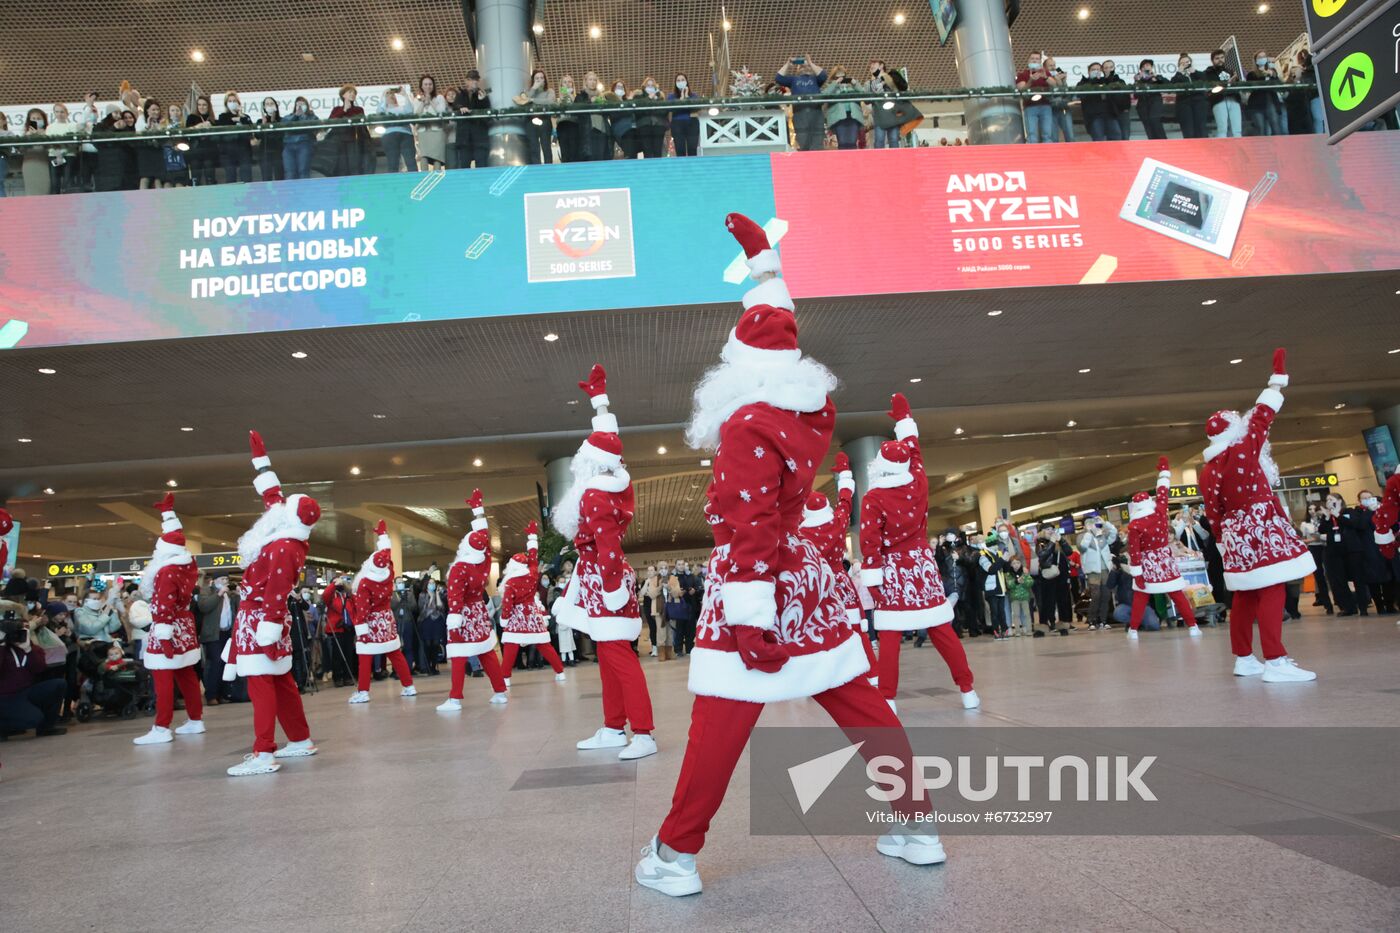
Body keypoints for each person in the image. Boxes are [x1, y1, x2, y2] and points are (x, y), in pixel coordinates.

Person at [635, 213, 942, 898]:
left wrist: (749, 611)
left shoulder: (747, 422)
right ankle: (918, 824)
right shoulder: (809, 412)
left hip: (759, 576)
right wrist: (764, 264)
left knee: (721, 718)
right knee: (861, 702)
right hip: (808, 572)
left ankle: (675, 853)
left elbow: (747, 524)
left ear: (743, 361)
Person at [551, 365, 657, 759]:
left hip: (605, 581)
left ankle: (642, 733)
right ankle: (614, 727)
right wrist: (599, 401)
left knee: (618, 659)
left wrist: (610, 589)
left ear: (591, 462)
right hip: (602, 578)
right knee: (611, 658)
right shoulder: (609, 488)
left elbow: (607, 546)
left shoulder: (594, 496)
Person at [1200, 350, 1316, 683]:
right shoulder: (1242, 450)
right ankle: (1276, 661)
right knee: (1273, 587)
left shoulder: (1207, 471)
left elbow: (1213, 513)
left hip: (1234, 534)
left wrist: (1223, 541)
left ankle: (1244, 658)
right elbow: (1261, 417)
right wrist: (1276, 382)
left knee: (1246, 593)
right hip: (1261, 525)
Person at [859, 395, 977, 709]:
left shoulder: (873, 498)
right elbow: (914, 450)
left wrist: (873, 581)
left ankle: (888, 698)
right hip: (922, 565)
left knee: (891, 636)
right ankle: (967, 690)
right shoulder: (919, 482)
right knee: (941, 628)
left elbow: (869, 544)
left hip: (893, 570)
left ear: (881, 465)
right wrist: (904, 419)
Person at [223, 431, 321, 776]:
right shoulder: (285, 530)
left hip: (261, 620)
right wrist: (261, 462)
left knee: (262, 685)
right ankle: (299, 739)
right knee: (281, 681)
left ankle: (264, 752)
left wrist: (267, 627)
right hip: (266, 620)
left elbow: (277, 590)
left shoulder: (283, 546)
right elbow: (273, 497)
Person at [132, 494, 205, 745]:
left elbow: (163, 604)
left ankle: (161, 727)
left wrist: (162, 636)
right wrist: (168, 513)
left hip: (168, 626)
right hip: (184, 624)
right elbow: (176, 535)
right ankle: (195, 720)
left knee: (162, 676)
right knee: (187, 674)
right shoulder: (187, 565)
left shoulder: (165, 571)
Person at [800, 453, 877, 681]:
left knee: (821, 633)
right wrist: (844, 472)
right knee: (857, 632)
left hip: (818, 586)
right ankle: (872, 675)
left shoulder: (801, 532)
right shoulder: (837, 521)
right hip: (841, 582)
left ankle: (823, 677)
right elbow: (846, 500)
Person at [439, 490, 508, 710]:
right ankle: (499, 692)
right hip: (478, 611)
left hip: (463, 614)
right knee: (486, 651)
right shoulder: (482, 563)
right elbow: (484, 541)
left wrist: (454, 621)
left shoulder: (460, 568)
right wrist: (478, 511)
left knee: (459, 655)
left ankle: (455, 698)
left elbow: (455, 597)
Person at [1125, 458, 1202, 640]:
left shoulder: (1134, 526)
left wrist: (1138, 573)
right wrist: (1164, 473)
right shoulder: (1159, 512)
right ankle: (1193, 626)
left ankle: (1133, 630)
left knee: (1140, 598)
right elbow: (1162, 493)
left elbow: (1134, 552)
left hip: (1148, 563)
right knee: (1177, 594)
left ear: (1135, 507)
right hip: (1165, 559)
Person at [346, 522, 416, 704]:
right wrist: (383, 535)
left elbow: (362, 609)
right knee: (395, 653)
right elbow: (387, 554)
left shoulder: (364, 584)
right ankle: (408, 686)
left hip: (370, 622)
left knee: (365, 657)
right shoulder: (389, 572)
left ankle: (363, 692)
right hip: (386, 618)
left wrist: (361, 629)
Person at [498, 522, 566, 680]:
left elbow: (507, 603)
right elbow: (534, 558)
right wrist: (532, 536)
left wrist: (504, 619)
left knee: (510, 647)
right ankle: (560, 672)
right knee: (544, 645)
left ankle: (505, 677)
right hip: (533, 615)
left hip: (517, 617)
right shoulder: (533, 574)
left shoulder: (511, 582)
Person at [0, 612, 67, 738]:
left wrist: (28, 650)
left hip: (26, 691)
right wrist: (2, 644)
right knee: (33, 719)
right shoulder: (3, 649)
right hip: (5, 696)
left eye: (26, 629)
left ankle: (46, 728)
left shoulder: (33, 648)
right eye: (18, 630)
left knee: (58, 684)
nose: (21, 633)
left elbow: (39, 669)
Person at [1338, 491, 1388, 615]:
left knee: (1388, 576)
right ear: (1359, 501)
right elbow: (1360, 525)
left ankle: (1390, 603)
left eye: (1369, 498)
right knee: (1373, 578)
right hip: (1368, 548)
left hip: (1385, 545)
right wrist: (1369, 511)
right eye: (1364, 498)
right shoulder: (1357, 512)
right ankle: (1380, 605)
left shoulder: (1381, 509)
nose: (1367, 500)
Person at [197, 574, 237, 703]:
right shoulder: (207, 591)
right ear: (215, 581)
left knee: (227, 663)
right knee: (216, 663)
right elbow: (204, 607)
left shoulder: (230, 595)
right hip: (214, 634)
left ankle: (224, 693)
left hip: (228, 633)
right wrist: (218, 594)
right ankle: (212, 695)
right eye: (222, 579)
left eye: (226, 579)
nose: (225, 581)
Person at [776, 54, 828, 151]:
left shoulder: (815, 79)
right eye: (801, 66)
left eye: (806, 66)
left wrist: (810, 63)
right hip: (800, 113)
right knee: (803, 140)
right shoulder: (793, 80)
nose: (804, 67)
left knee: (817, 141)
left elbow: (823, 75)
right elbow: (778, 78)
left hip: (816, 112)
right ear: (797, 69)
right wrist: (788, 63)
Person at [1078, 513, 1118, 629]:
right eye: (1090, 524)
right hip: (1093, 571)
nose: (1093, 526)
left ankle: (1104, 620)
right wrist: (1090, 533)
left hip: (1105, 569)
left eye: (1094, 523)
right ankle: (1091, 620)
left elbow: (1113, 534)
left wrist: (1105, 523)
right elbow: (1082, 547)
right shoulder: (1083, 536)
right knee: (1096, 595)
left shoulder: (1103, 536)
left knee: (1106, 595)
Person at [450, 70, 492, 169]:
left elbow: (487, 110)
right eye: (471, 79)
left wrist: (482, 100)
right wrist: (461, 108)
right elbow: (455, 106)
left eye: (475, 80)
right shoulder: (461, 94)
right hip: (464, 137)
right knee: (464, 165)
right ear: (466, 81)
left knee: (481, 164)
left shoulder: (482, 95)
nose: (474, 82)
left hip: (479, 136)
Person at [321, 573, 357, 686]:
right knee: (337, 655)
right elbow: (325, 595)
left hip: (349, 628)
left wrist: (347, 587)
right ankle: (338, 677)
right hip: (337, 629)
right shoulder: (332, 596)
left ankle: (348, 676)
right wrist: (334, 584)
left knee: (349, 653)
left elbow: (356, 601)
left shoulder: (348, 595)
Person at [329, 85, 372, 176]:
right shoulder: (337, 109)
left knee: (355, 165)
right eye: (350, 92)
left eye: (354, 93)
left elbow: (363, 124)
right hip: (340, 142)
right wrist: (344, 109)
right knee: (342, 166)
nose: (352, 94)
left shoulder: (359, 109)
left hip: (355, 141)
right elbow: (331, 121)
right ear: (343, 95)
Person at [515, 69, 554, 165]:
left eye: (541, 78)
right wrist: (533, 89)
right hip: (530, 121)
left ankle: (549, 168)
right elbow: (524, 100)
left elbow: (550, 101)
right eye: (537, 78)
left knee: (546, 147)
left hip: (545, 120)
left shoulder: (549, 91)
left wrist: (532, 99)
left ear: (545, 80)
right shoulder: (528, 91)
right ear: (533, 80)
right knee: (533, 147)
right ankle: (536, 168)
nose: (539, 80)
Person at [1035, 529, 1072, 633]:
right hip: (1048, 576)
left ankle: (1063, 624)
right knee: (1047, 601)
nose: (1050, 532)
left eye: (1052, 530)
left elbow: (1069, 552)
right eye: (1047, 531)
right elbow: (1043, 555)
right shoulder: (1041, 543)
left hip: (1061, 575)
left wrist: (1062, 540)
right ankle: (1043, 624)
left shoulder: (1058, 543)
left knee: (1063, 601)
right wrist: (1051, 542)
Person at [412, 74, 450, 171]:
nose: (428, 86)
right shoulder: (417, 99)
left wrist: (431, 101)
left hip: (437, 131)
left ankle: (436, 177)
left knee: (437, 157)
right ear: (421, 86)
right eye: (425, 84)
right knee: (423, 156)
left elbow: (441, 111)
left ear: (433, 86)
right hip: (423, 132)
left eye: (430, 84)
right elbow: (416, 114)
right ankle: (424, 177)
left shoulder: (439, 97)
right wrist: (423, 103)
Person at [866, 60, 907, 149]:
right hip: (879, 114)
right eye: (871, 66)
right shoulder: (869, 82)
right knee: (879, 140)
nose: (871, 66)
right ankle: (880, 161)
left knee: (893, 139)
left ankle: (895, 160)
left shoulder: (891, 77)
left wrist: (882, 79)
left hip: (893, 114)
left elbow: (896, 88)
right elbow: (866, 99)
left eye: (874, 64)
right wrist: (873, 80)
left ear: (881, 66)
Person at [1015, 52, 1054, 143]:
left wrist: (1045, 77)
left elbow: (1055, 84)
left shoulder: (1045, 73)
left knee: (1047, 135)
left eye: (1037, 59)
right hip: (1030, 107)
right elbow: (1021, 89)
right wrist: (1030, 81)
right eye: (1032, 58)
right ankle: (1032, 155)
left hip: (1046, 106)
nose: (1034, 60)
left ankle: (1050, 155)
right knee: (1031, 135)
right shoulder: (1022, 74)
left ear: (1040, 61)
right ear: (1028, 60)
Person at [214, 92, 254, 182]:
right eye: (230, 101)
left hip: (244, 150)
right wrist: (235, 119)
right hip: (228, 151)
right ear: (226, 104)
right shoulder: (222, 117)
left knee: (246, 174)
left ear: (238, 103)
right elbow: (223, 125)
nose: (232, 103)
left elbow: (250, 127)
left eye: (234, 101)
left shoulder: (245, 116)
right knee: (230, 175)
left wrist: (240, 116)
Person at [1245, 52, 1284, 137]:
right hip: (1256, 104)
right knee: (1260, 128)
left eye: (1264, 56)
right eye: (1260, 57)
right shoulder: (1252, 74)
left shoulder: (1272, 72)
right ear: (1255, 60)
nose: (1262, 58)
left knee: (1275, 126)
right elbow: (1251, 86)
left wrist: (1272, 74)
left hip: (1271, 101)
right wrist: (1263, 75)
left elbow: (1279, 84)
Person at [378, 86, 417, 172]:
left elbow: (410, 111)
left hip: (406, 134)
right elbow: (380, 112)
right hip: (390, 135)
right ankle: (393, 182)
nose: (391, 96)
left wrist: (405, 95)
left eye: (393, 95)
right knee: (393, 162)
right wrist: (384, 95)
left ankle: (415, 180)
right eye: (388, 95)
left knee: (410, 161)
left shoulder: (402, 108)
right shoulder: (385, 110)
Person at [1172, 54, 1210, 139]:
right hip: (1184, 104)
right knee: (1188, 129)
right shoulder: (1178, 76)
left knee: (1201, 127)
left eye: (1187, 62)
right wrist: (1179, 72)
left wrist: (1194, 72)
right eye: (1182, 63)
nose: (1185, 64)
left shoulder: (1197, 74)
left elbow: (1205, 80)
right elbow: (1172, 84)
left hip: (1199, 103)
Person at [1207, 49, 1243, 138]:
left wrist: (1235, 81)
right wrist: (1227, 83)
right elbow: (1211, 88)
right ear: (1212, 61)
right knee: (1222, 129)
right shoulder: (1209, 72)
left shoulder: (1231, 71)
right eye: (1217, 58)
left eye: (1222, 57)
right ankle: (1222, 150)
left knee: (1237, 130)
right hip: (1219, 101)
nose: (1220, 60)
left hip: (1234, 99)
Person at [184, 95, 218, 185]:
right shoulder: (191, 117)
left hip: (209, 150)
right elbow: (188, 132)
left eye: (204, 105)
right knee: (195, 170)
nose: (201, 107)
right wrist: (198, 127)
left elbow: (216, 136)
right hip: (196, 150)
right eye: (199, 105)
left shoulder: (213, 120)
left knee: (209, 168)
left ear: (208, 106)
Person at [281, 97, 317, 180]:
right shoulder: (289, 117)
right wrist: (295, 116)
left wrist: (303, 116)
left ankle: (304, 191)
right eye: (298, 104)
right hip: (288, 146)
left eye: (302, 104)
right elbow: (284, 125)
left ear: (307, 106)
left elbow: (312, 127)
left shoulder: (311, 117)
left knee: (303, 171)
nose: (300, 107)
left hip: (304, 145)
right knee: (289, 172)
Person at [1077, 63, 1114, 141]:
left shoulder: (1105, 81)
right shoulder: (1083, 82)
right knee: (1099, 138)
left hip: (1109, 114)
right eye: (1093, 70)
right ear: (1088, 72)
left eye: (1098, 69)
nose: (1096, 71)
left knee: (1116, 136)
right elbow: (1080, 94)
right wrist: (1093, 81)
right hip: (1094, 117)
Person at [667, 74, 701, 156]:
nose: (680, 82)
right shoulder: (671, 96)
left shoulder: (694, 96)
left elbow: (696, 108)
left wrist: (686, 96)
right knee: (680, 149)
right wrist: (681, 98)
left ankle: (692, 167)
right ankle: (681, 168)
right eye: (678, 80)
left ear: (686, 81)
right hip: (677, 124)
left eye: (682, 80)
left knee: (692, 149)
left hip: (692, 123)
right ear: (675, 83)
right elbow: (670, 108)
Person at [417, 577, 446, 674]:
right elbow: (422, 609)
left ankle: (434, 666)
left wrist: (436, 595)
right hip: (426, 621)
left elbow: (441, 607)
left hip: (437, 622)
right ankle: (427, 666)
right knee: (427, 644)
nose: (432, 585)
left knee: (436, 644)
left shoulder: (439, 594)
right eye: (430, 583)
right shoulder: (422, 595)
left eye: (433, 583)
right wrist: (431, 598)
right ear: (426, 585)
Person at [1134, 59, 1169, 139]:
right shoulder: (1138, 79)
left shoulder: (1157, 77)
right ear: (1141, 69)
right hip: (1142, 105)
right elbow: (1136, 95)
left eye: (1148, 66)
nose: (1145, 68)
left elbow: (1168, 85)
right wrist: (1138, 81)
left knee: (1155, 120)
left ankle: (1163, 142)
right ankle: (1153, 144)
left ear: (1151, 67)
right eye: (1143, 67)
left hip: (1155, 102)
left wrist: (1156, 77)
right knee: (1148, 126)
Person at [634, 77, 668, 158]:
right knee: (647, 150)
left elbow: (664, 112)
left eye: (652, 85)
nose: (650, 87)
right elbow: (639, 111)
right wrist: (649, 99)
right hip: (644, 126)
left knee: (658, 151)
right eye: (648, 85)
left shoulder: (661, 97)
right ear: (644, 87)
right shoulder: (639, 97)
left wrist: (649, 109)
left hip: (659, 125)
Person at [1044, 57, 1074, 141]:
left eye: (1054, 65)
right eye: (1050, 66)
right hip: (1050, 109)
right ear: (1045, 68)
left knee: (1070, 136)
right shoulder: (1044, 78)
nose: (1053, 67)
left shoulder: (1060, 78)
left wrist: (1063, 82)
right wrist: (1056, 83)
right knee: (1054, 138)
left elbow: (1067, 95)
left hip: (1064, 108)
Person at [255, 97, 283, 182]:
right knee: (266, 177)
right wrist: (263, 125)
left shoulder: (281, 120)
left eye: (271, 104)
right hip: (265, 152)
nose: (269, 106)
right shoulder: (260, 121)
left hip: (278, 151)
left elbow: (281, 135)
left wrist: (273, 122)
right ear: (264, 107)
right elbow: (257, 136)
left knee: (279, 176)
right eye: (267, 104)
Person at [1102, 60, 1131, 139]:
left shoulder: (1121, 81)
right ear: (1103, 70)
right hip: (1109, 112)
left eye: (1111, 67)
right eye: (1106, 67)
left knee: (1125, 135)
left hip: (1122, 111)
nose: (1109, 69)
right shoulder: (1101, 82)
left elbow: (1126, 95)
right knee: (1115, 135)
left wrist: (1126, 108)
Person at [1005, 556, 1034, 636]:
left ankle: (1028, 630)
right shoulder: (1009, 574)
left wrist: (1024, 580)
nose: (1016, 565)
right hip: (1014, 598)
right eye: (1013, 563)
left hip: (1025, 597)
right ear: (1010, 565)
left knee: (1027, 614)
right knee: (1016, 614)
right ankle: (1017, 631)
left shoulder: (1024, 572)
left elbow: (1030, 582)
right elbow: (1009, 585)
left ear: (1021, 563)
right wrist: (1016, 581)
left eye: (1018, 563)